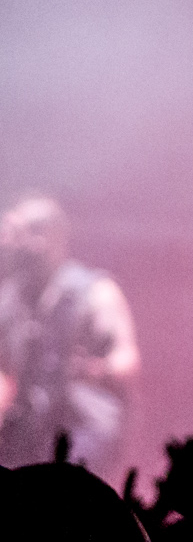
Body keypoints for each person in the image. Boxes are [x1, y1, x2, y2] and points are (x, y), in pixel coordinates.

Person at [0, 194, 140, 477]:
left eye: (18, 233)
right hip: (29, 429)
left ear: (49, 237)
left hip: (82, 429)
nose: (9, 242)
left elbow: (127, 360)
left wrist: (93, 371)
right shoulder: (11, 299)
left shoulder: (95, 291)